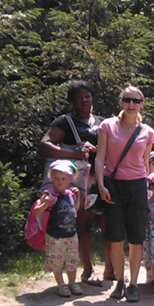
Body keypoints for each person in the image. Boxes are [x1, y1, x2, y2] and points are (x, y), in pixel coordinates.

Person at [39, 81, 111, 285]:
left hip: (102, 180)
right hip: (78, 184)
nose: (84, 100)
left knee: (109, 224)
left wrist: (96, 150)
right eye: (79, 97)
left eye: (87, 96)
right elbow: (45, 145)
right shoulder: (64, 122)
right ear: (71, 101)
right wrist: (73, 153)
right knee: (84, 224)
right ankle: (88, 270)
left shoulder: (102, 122)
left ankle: (110, 269)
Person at [95, 85, 154, 303]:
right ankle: (120, 281)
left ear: (142, 104)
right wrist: (101, 185)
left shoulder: (147, 132)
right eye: (127, 100)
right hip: (114, 186)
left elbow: (146, 163)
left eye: (136, 101)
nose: (131, 104)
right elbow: (100, 158)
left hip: (138, 186)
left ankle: (133, 284)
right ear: (121, 102)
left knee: (136, 238)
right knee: (116, 237)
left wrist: (147, 190)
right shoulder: (107, 126)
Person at [33, 160, 82, 297]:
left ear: (70, 180)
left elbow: (75, 211)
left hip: (71, 234)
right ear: (51, 178)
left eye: (63, 178)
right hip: (55, 236)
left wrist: (78, 198)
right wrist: (45, 203)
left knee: (72, 260)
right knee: (57, 261)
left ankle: (72, 282)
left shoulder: (70, 195)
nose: (59, 181)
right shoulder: (48, 194)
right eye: (56, 178)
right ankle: (60, 284)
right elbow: (37, 212)